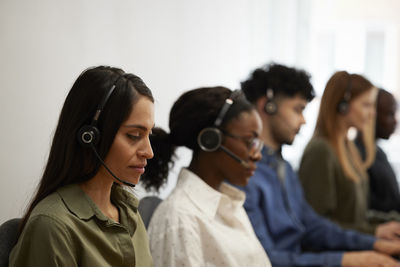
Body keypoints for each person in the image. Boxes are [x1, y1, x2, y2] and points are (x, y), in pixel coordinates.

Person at [239, 63, 400, 267]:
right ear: (267, 106)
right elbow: (264, 260)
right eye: (298, 109)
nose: (304, 120)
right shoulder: (244, 174)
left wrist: (374, 243)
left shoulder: (284, 168)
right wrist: (347, 259)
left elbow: (313, 226)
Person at [9, 66, 154, 266]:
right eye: (134, 136)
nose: (149, 151)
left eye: (149, 135)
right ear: (90, 137)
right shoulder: (53, 227)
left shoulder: (130, 215)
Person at [141, 87, 272, 266]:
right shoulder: (180, 219)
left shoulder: (229, 206)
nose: (257, 155)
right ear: (211, 140)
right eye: (250, 141)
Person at [299, 71, 400, 239]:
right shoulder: (321, 151)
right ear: (342, 106)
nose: (372, 113)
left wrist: (390, 222)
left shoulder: (348, 148)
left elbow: (357, 217)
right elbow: (317, 226)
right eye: (366, 105)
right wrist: (374, 232)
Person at [356, 88, 400, 213]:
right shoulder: (358, 155)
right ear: (372, 113)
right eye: (390, 114)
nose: (396, 121)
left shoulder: (378, 152)